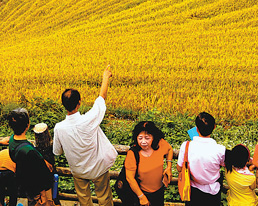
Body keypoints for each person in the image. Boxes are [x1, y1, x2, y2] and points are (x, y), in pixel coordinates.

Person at [53, 65, 117, 206]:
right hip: (98, 168)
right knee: (104, 197)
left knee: (83, 199)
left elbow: (57, 152)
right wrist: (105, 77)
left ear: (63, 105)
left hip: (78, 170)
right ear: (79, 102)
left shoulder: (59, 128)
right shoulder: (90, 119)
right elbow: (102, 98)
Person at [177, 112, 225, 206]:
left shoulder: (186, 146)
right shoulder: (220, 150)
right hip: (213, 192)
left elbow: (179, 168)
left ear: (196, 129)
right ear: (214, 127)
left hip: (192, 191)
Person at [8, 108, 53, 205]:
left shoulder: (12, 140)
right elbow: (40, 176)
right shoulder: (30, 151)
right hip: (36, 190)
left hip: (25, 184)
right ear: (27, 125)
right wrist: (43, 195)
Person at [123, 121, 173, 206]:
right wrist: (141, 196)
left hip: (159, 192)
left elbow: (169, 149)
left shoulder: (160, 144)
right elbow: (129, 178)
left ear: (153, 137)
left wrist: (168, 167)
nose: (143, 142)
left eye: (147, 138)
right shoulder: (133, 153)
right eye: (140, 138)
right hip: (142, 193)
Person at [0, 137, 17, 206]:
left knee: (1, 192)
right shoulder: (15, 153)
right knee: (13, 193)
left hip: (0, 172)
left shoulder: (1, 152)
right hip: (11, 173)